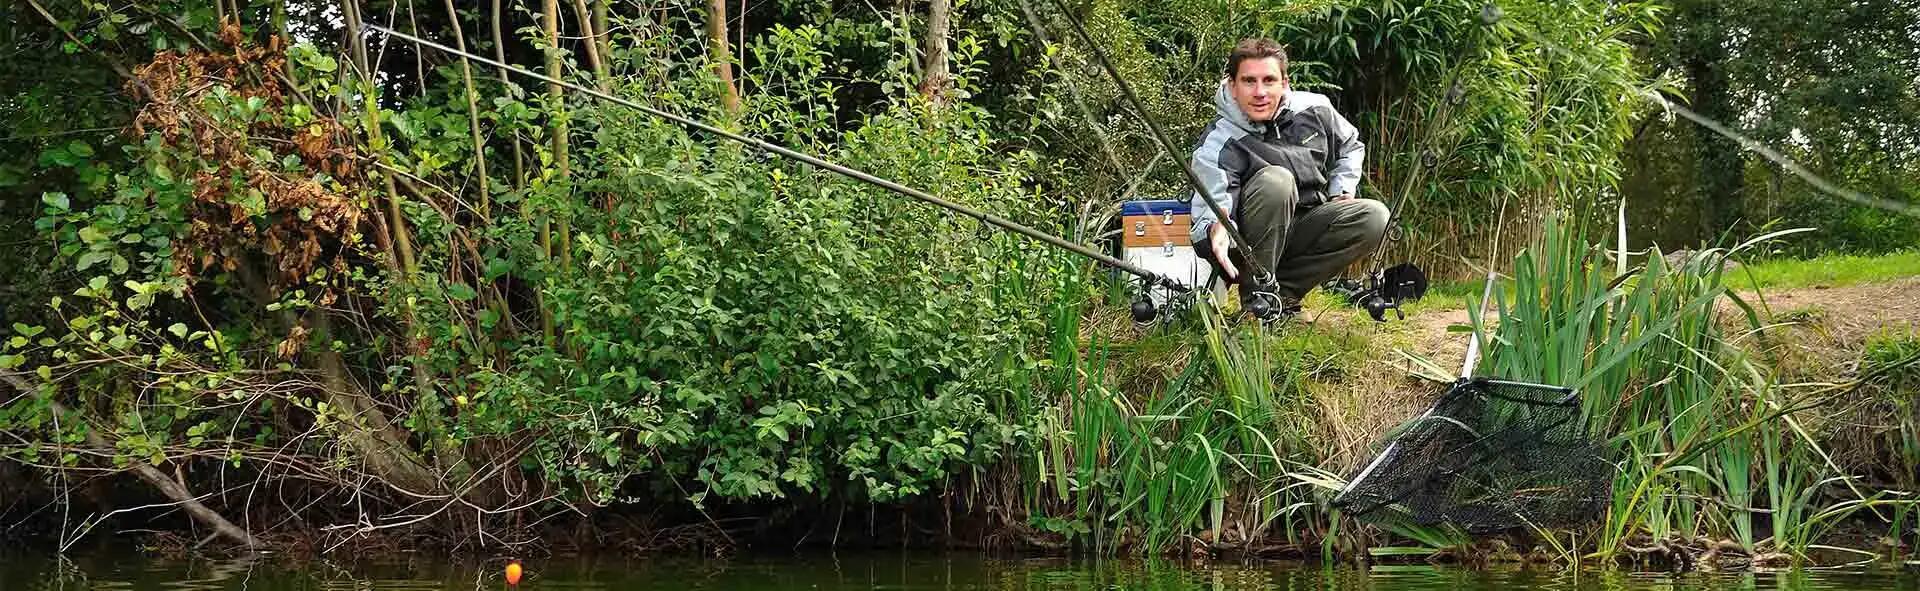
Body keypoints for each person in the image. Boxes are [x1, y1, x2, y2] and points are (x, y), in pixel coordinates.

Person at [1188, 38, 1389, 320]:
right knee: (1276, 181)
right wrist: (1217, 225)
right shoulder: (1218, 141)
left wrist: (1341, 190)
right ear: (1232, 85)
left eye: (1269, 80)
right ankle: (1258, 303)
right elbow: (1212, 197)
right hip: (1243, 245)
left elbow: (1350, 146)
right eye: (1249, 81)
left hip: (1303, 225)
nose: (1260, 92)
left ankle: (1283, 297)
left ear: (1284, 82)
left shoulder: (1316, 108)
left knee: (1375, 216)